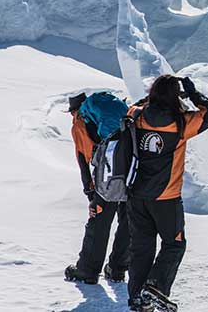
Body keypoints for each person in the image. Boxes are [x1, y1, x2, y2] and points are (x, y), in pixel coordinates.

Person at [126, 75, 208, 312]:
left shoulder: (135, 115)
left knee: (141, 247)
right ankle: (156, 286)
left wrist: (151, 98)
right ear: (174, 96)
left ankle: (138, 298)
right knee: (174, 244)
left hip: (136, 194)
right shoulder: (181, 123)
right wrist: (192, 92)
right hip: (166, 197)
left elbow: (135, 106)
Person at [64, 92, 130, 285]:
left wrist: (90, 192)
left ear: (74, 111)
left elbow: (83, 158)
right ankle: (117, 269)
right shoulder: (112, 112)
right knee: (128, 220)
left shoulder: (80, 122)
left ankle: (87, 270)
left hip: (106, 177)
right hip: (130, 172)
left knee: (98, 222)